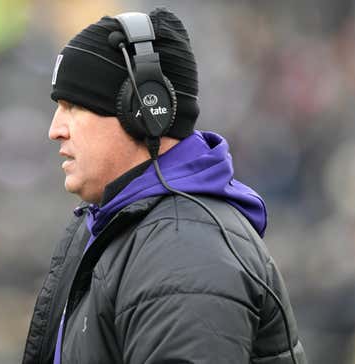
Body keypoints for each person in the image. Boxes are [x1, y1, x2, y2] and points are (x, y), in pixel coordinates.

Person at [22, 8, 307, 364]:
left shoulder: (184, 247)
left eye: (73, 106)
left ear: (143, 110)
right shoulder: (127, 229)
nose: (55, 129)